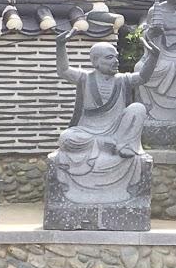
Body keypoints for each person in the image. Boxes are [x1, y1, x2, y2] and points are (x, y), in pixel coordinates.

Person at [52, 27, 160, 204]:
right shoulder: (84, 78)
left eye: (116, 57)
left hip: (117, 131)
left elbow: (142, 77)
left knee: (138, 108)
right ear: (95, 61)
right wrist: (60, 45)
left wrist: (154, 56)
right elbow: (63, 71)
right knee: (66, 138)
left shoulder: (123, 79)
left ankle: (122, 145)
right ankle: (106, 144)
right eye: (109, 58)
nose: (116, 61)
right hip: (87, 131)